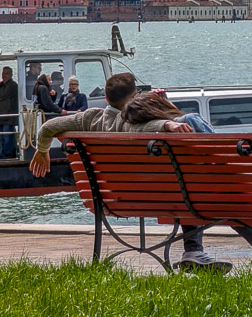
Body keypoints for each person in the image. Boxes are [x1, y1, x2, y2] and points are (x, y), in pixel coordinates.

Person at [29, 73, 231, 273]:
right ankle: (196, 250)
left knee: (186, 185)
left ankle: (194, 252)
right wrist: (167, 120)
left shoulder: (90, 118)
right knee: (190, 180)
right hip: (167, 198)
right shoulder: (129, 124)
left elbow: (49, 126)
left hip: (111, 200)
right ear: (134, 96)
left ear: (106, 98)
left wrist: (42, 150)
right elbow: (146, 127)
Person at [122, 92, 252, 255]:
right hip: (229, 192)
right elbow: (225, 153)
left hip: (187, 199)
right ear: (159, 109)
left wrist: (161, 114)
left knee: (228, 199)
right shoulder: (189, 121)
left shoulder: (140, 139)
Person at [0, 66, 19, 159]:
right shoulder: (1, 85)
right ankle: (1, 154)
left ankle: (8, 155)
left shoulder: (13, 85)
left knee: (7, 138)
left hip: (8, 117)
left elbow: (4, 94)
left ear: (11, 74)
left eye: (6, 73)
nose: (4, 75)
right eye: (3, 73)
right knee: (1, 138)